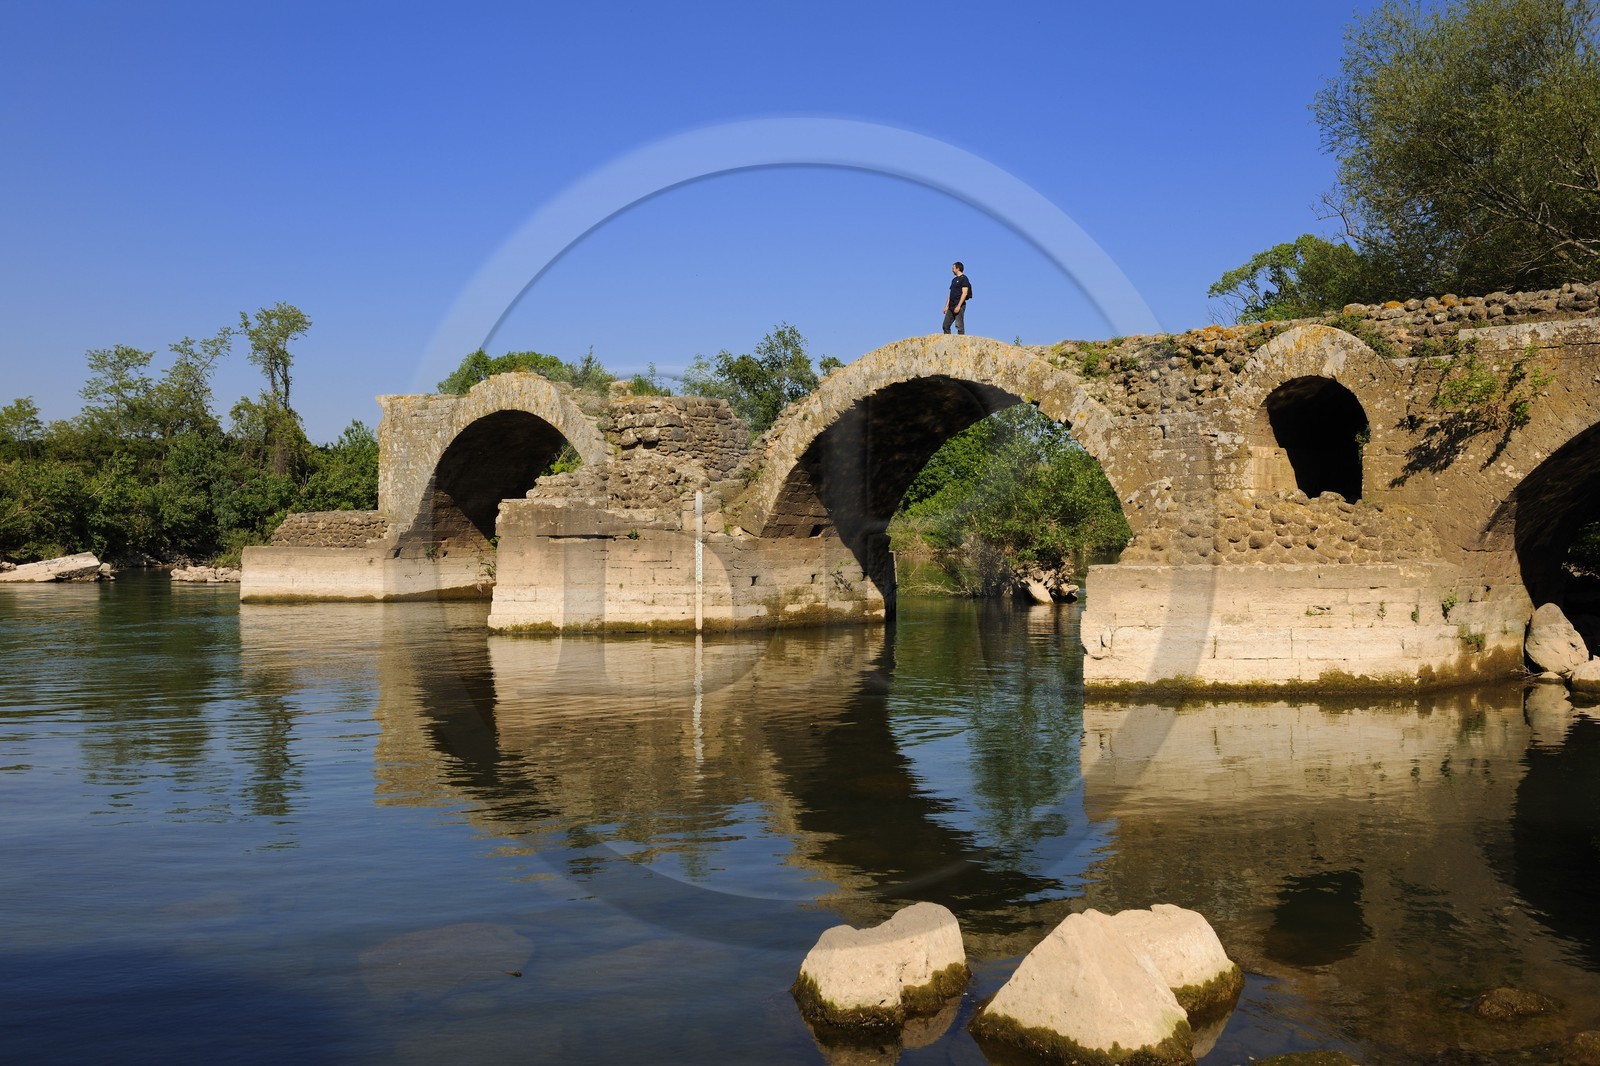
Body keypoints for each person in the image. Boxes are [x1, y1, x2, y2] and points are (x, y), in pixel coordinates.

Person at [942, 261, 970, 335]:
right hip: (951, 306)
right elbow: (950, 293)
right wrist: (946, 306)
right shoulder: (954, 280)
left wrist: (959, 305)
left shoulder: (964, 279)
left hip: (959, 305)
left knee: (959, 326)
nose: (952, 270)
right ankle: (948, 343)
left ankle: (961, 344)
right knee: (945, 325)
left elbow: (965, 293)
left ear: (958, 268)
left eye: (953, 268)